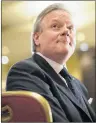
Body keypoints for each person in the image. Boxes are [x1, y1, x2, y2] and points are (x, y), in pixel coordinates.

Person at [6, 3, 96, 122]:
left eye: (70, 28)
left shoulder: (78, 85)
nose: (66, 31)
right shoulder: (24, 71)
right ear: (36, 38)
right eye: (55, 26)